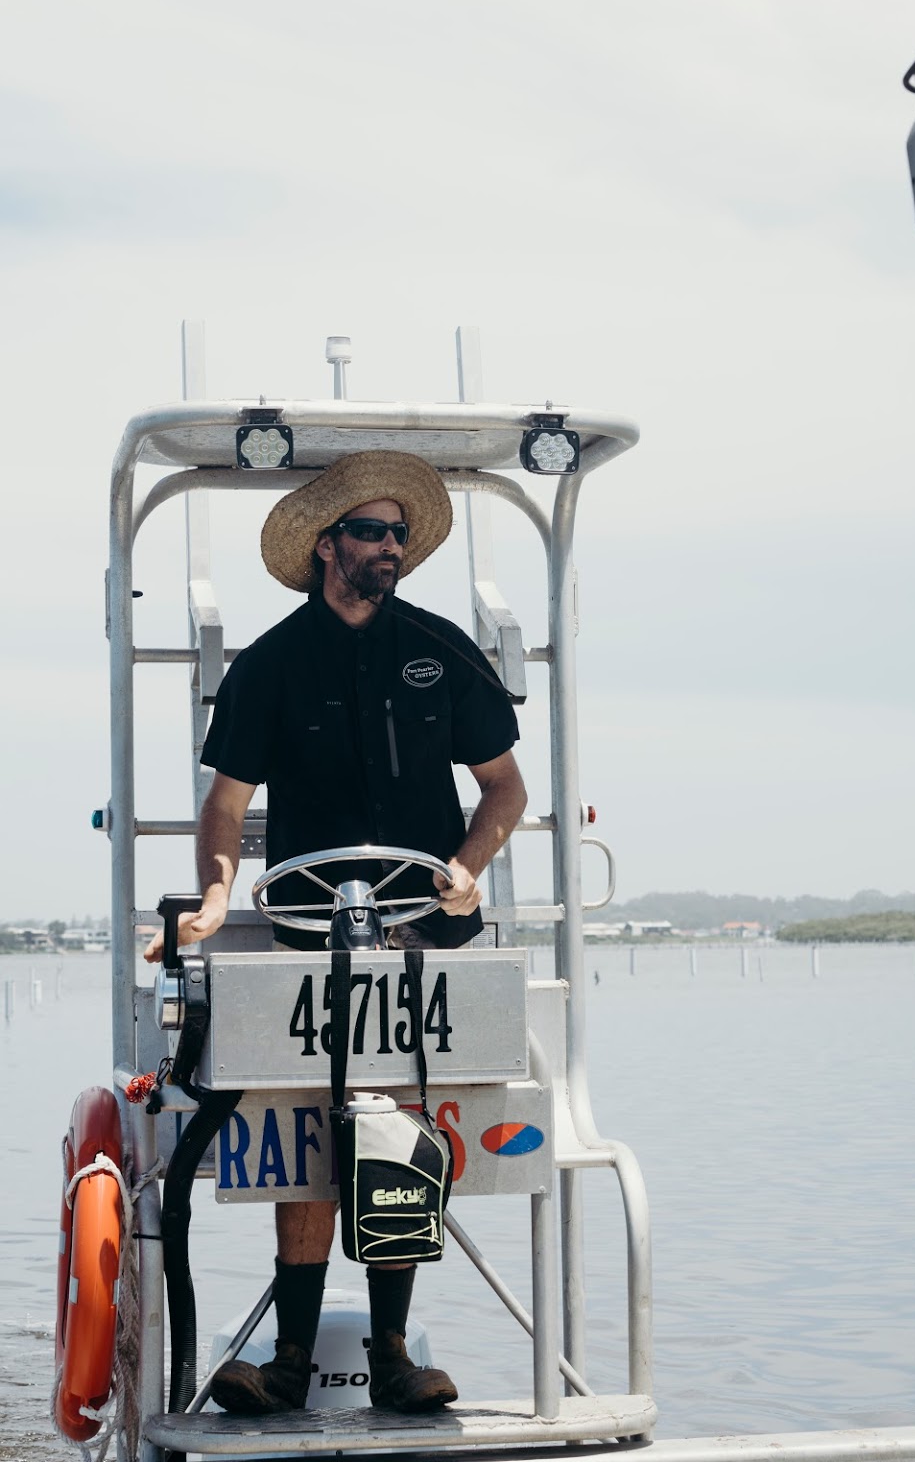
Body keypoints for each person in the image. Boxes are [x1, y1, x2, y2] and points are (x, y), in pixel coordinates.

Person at [145, 450, 527, 1416]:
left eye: (399, 533)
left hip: (424, 939)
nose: (390, 547)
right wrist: (217, 898)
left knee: (398, 1128)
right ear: (328, 547)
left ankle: (394, 1356)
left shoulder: (442, 652)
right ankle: (288, 1364)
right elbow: (226, 806)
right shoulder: (270, 665)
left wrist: (468, 871)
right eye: (371, 532)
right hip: (308, 936)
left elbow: (505, 789)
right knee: (308, 1133)